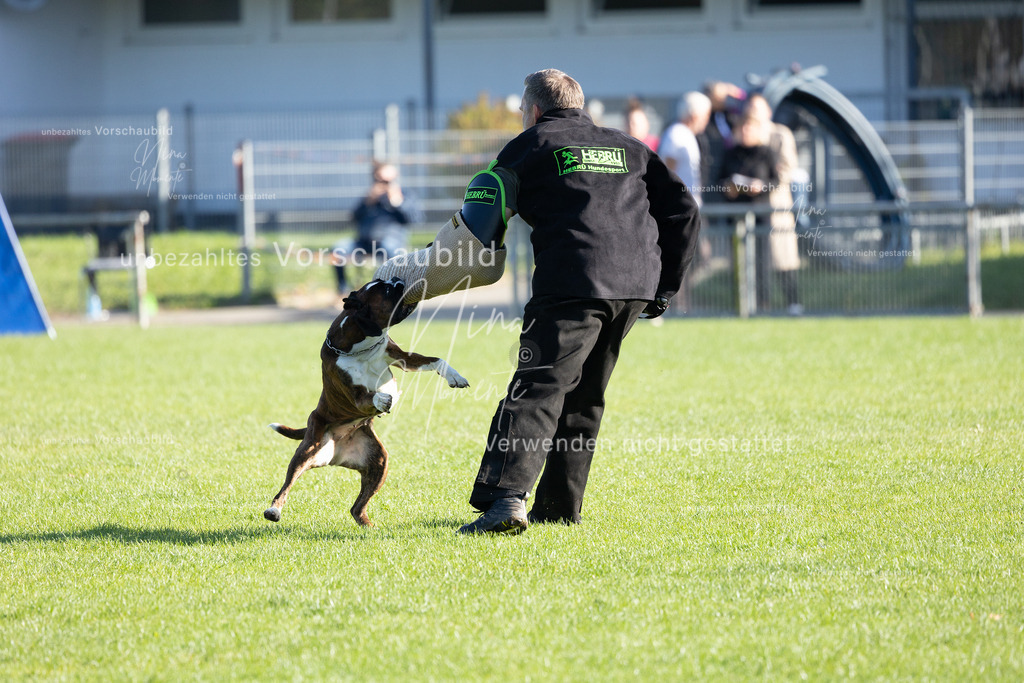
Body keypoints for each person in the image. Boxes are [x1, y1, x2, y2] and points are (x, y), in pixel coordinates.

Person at [457, 69, 701, 535]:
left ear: (534, 110)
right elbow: (684, 209)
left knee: (538, 387)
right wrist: (664, 286)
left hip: (573, 280)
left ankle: (506, 500)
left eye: (522, 111)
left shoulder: (531, 144)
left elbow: (482, 214)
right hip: (633, 285)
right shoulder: (628, 145)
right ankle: (558, 508)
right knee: (584, 396)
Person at [745, 94, 803, 315]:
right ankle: (761, 304)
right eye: (750, 108)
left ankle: (793, 302)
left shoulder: (780, 134)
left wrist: (767, 182)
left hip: (776, 204)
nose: (753, 112)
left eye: (757, 108)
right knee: (757, 259)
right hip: (753, 205)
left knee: (783, 256)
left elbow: (788, 168)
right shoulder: (745, 132)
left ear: (768, 111)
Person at [719, 111, 780, 313]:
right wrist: (728, 188)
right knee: (739, 259)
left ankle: (763, 304)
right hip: (736, 215)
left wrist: (760, 186)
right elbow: (719, 180)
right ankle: (739, 304)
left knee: (761, 260)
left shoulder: (766, 153)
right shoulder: (730, 153)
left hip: (760, 214)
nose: (745, 131)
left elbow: (775, 181)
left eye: (750, 127)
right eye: (742, 127)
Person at [331, 162, 420, 295]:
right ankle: (342, 290)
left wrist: (397, 203)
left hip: (390, 241)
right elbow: (353, 217)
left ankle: (389, 292)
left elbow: (414, 220)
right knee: (338, 249)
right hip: (364, 242)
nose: (384, 184)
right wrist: (368, 202)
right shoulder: (370, 197)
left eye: (389, 181)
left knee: (390, 249)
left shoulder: (405, 194)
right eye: (380, 180)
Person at [658, 91, 712, 205]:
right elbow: (668, 169)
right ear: (695, 116)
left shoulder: (687, 134)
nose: (707, 120)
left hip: (687, 203)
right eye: (706, 115)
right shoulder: (676, 133)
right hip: (678, 204)